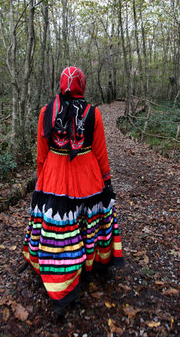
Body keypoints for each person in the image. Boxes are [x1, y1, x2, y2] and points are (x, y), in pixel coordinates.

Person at [22, 66, 124, 315]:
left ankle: (61, 275)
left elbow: (41, 150)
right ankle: (87, 265)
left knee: (60, 225)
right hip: (87, 173)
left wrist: (41, 178)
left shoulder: (47, 111)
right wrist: (107, 180)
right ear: (83, 85)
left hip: (55, 173)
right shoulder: (93, 113)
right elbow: (100, 150)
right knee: (86, 220)